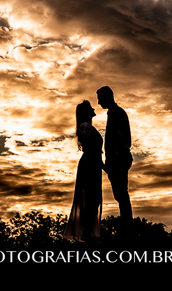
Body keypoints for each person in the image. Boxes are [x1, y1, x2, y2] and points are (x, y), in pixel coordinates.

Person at [65, 100, 103, 241]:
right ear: (87, 112)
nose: (94, 109)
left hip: (92, 164)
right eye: (90, 108)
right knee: (92, 198)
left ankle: (88, 231)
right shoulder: (85, 127)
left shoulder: (87, 127)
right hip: (90, 165)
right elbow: (92, 149)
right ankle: (87, 232)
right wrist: (102, 165)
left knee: (93, 198)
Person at [97, 86, 132, 220]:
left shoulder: (117, 113)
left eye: (100, 99)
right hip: (116, 161)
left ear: (107, 97)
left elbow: (124, 139)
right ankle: (126, 226)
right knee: (120, 195)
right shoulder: (113, 113)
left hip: (118, 161)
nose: (99, 103)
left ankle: (127, 228)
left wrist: (116, 158)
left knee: (122, 195)